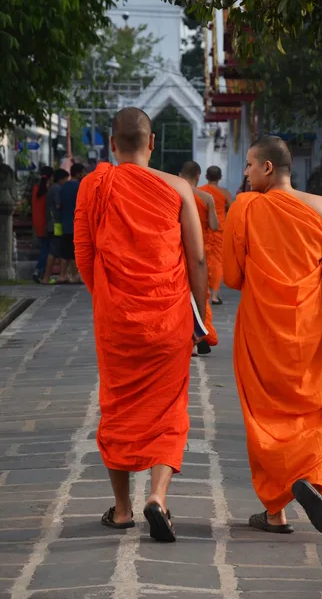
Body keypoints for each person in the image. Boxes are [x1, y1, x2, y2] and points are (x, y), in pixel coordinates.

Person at [74, 107, 207, 542]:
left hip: (116, 319)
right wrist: (200, 317)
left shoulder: (94, 185)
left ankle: (123, 508)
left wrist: (109, 299)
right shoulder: (179, 189)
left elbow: (84, 254)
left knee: (118, 407)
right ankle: (158, 497)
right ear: (152, 144)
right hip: (169, 317)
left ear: (112, 145)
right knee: (170, 409)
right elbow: (198, 259)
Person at [223, 136, 322, 536]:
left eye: (248, 165)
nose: (244, 173)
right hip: (310, 327)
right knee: (313, 405)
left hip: (261, 328)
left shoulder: (244, 208)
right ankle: (309, 476)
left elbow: (231, 278)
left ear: (266, 168)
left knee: (264, 414)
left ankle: (275, 510)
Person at [179, 161, 219, 356]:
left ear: (180, 174)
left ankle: (190, 336)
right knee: (200, 293)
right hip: (201, 249)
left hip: (178, 249)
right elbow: (213, 225)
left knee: (180, 294)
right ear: (198, 176)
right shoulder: (207, 197)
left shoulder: (174, 193)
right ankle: (199, 334)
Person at [199, 166, 234, 305]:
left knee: (204, 259)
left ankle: (203, 290)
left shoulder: (200, 191)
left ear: (206, 176)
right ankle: (214, 295)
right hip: (220, 229)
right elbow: (233, 208)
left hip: (204, 229)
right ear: (219, 178)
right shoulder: (224, 193)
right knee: (218, 261)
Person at [42, 168, 69, 285]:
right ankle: (46, 278)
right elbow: (58, 205)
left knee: (54, 250)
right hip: (56, 225)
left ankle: (47, 277)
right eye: (65, 180)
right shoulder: (57, 189)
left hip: (51, 224)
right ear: (61, 179)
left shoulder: (52, 188)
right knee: (53, 251)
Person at [59, 163, 85, 283]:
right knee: (76, 251)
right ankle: (75, 276)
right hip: (76, 223)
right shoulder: (80, 186)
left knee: (65, 252)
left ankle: (63, 275)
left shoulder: (63, 187)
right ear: (79, 173)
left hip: (64, 223)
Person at [31, 166, 54, 282]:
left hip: (37, 223)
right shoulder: (48, 190)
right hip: (46, 224)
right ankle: (38, 270)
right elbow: (48, 209)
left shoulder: (35, 188)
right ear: (50, 177)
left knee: (44, 248)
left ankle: (40, 272)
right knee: (46, 249)